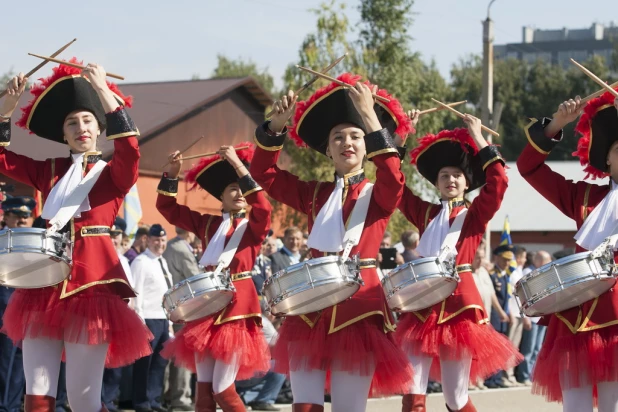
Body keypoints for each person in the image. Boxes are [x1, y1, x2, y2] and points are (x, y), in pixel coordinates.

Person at [250, 73, 414, 412]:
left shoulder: (380, 195)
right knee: (304, 407)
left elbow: (393, 174)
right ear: (327, 149)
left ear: (368, 146)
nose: (346, 143)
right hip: (310, 310)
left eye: (355, 136)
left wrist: (369, 114)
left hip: (358, 311)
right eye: (337, 138)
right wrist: (275, 128)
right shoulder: (315, 195)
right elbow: (263, 175)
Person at [0, 60, 151, 412]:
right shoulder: (50, 170)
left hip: (92, 286)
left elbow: (130, 149)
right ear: (63, 134)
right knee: (36, 394)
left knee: (84, 399)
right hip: (42, 287)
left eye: (87, 120)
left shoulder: (114, 174)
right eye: (72, 123)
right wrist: (7, 107)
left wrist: (103, 89)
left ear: (99, 128)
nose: (80, 127)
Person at [395, 113, 521, 412]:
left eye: (456, 175)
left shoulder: (475, 214)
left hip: (460, 308)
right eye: (444, 176)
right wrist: (400, 139)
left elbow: (500, 181)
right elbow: (395, 187)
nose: (450, 180)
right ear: (436, 183)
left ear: (466, 183)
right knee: (412, 391)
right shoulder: (426, 215)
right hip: (421, 307)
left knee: (456, 397)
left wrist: (478, 137)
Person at [516, 91, 618, 410]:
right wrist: (558, 123)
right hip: (576, 317)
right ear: (607, 159)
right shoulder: (584, 197)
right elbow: (529, 168)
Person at [157, 142, 272, 411]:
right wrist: (172, 175)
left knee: (222, 387)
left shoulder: (254, 226)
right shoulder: (207, 224)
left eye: (243, 189)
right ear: (221, 195)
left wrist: (238, 166)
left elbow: (264, 208)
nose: (240, 193)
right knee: (204, 390)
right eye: (233, 188)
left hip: (238, 309)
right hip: (207, 308)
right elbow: (167, 208)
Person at [131, 225, 172, 412]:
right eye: (156, 240)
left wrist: (170, 322)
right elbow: (135, 294)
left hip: (163, 319)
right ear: (148, 240)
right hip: (147, 318)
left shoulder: (162, 261)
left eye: (163, 240)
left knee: (159, 364)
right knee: (144, 365)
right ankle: (141, 402)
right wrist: (139, 322)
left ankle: (154, 400)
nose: (160, 243)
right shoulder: (141, 262)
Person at [0, 196, 35, 412]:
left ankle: (11, 406)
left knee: (21, 364)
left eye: (26, 216)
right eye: (17, 216)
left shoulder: (35, 244)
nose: (22, 221)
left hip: (28, 308)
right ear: (5, 216)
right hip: (4, 305)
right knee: (4, 362)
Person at [162, 227, 199, 411]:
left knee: (174, 354)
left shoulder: (170, 245)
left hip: (173, 307)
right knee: (183, 353)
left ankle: (170, 394)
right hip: (185, 307)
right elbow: (196, 278)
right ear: (189, 232)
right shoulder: (182, 249)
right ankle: (181, 397)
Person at [102, 217, 135, 412]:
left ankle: (110, 400)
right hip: (101, 317)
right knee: (98, 364)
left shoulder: (124, 260)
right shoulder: (100, 258)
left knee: (116, 366)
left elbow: (132, 291)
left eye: (117, 236)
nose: (114, 240)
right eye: (110, 235)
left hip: (122, 318)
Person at [516, 250, 551, 386]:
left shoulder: (541, 273)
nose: (548, 263)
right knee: (529, 348)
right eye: (547, 261)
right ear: (539, 261)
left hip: (541, 316)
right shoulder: (527, 274)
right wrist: (525, 316)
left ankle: (532, 374)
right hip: (531, 317)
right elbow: (523, 298)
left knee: (537, 348)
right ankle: (524, 374)